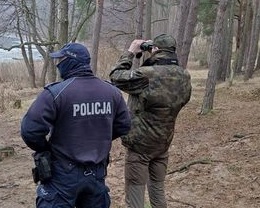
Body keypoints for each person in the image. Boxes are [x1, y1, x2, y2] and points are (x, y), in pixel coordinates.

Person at [20, 42, 131, 208]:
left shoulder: (56, 93)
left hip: (63, 175)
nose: (58, 64)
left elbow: (30, 131)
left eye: (61, 59)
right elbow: (123, 126)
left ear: (71, 61)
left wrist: (47, 148)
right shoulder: (112, 92)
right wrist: (99, 139)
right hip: (97, 172)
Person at [109, 34, 192, 208]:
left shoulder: (146, 76)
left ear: (155, 49)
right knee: (158, 191)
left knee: (135, 197)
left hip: (140, 146)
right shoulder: (184, 76)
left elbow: (116, 77)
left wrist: (131, 52)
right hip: (163, 143)